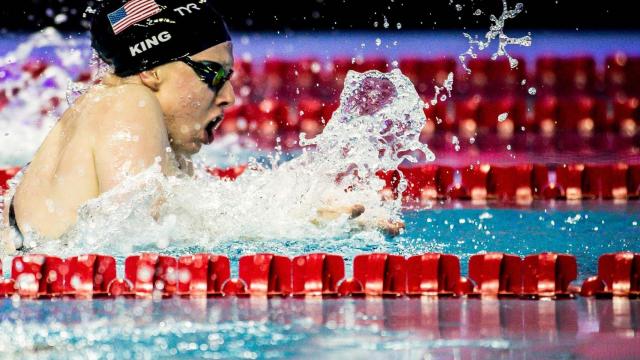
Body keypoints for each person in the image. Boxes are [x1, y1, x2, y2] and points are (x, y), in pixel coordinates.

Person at [1, 0, 401, 254]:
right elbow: (138, 231)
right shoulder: (129, 102)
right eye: (211, 74)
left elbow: (182, 217)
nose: (228, 97)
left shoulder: (109, 110)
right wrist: (303, 225)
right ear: (151, 71)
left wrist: (307, 216)